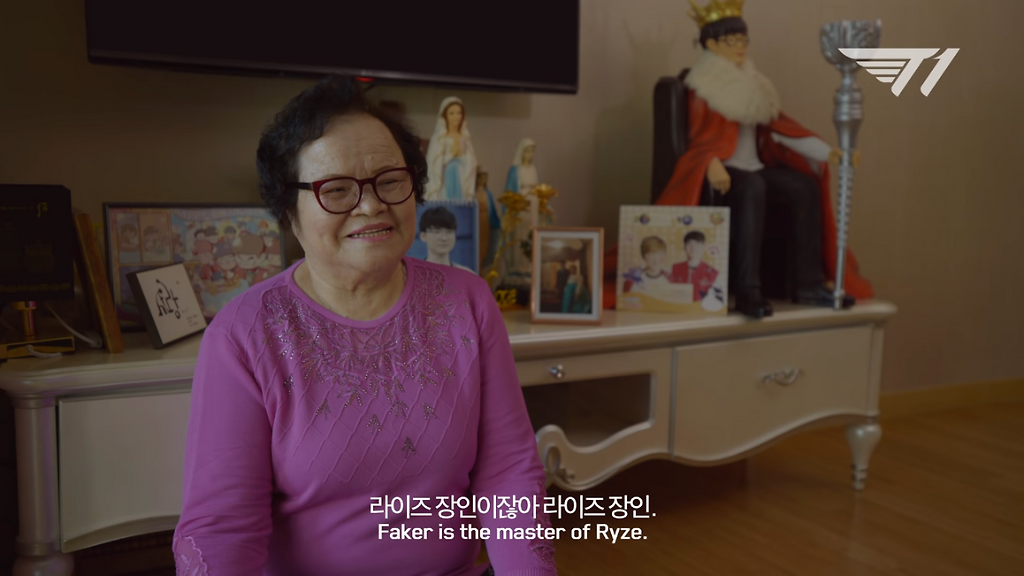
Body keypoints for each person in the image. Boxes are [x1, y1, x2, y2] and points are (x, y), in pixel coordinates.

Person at [173, 75, 555, 576]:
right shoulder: (244, 335)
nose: (371, 205)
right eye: (336, 190)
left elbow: (508, 474)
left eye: (390, 181)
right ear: (289, 211)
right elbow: (223, 527)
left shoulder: (467, 300)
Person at [656, 0, 874, 318]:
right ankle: (748, 289)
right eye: (732, 40)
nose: (740, 46)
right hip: (727, 172)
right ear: (711, 44)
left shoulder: (754, 86)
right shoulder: (703, 87)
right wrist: (710, 164)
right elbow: (698, 142)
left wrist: (829, 153)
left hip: (754, 167)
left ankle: (807, 282)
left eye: (743, 39)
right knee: (752, 188)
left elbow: (780, 129)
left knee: (803, 187)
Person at [424, 97, 477, 201]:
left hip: (461, 175)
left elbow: (471, 160)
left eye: (459, 113)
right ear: (445, 116)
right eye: (451, 113)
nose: (456, 117)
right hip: (445, 176)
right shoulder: (439, 139)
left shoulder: (465, 138)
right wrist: (451, 155)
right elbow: (433, 162)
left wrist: (464, 159)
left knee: (461, 200)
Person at [418, 206, 475, 273]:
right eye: (437, 232)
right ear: (423, 236)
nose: (444, 238)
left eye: (449, 232)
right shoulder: (414, 274)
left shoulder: (467, 274)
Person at [670, 231, 719, 302]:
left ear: (703, 247)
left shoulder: (713, 273)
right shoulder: (674, 268)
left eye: (697, 244)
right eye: (689, 244)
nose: (693, 248)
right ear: (684, 247)